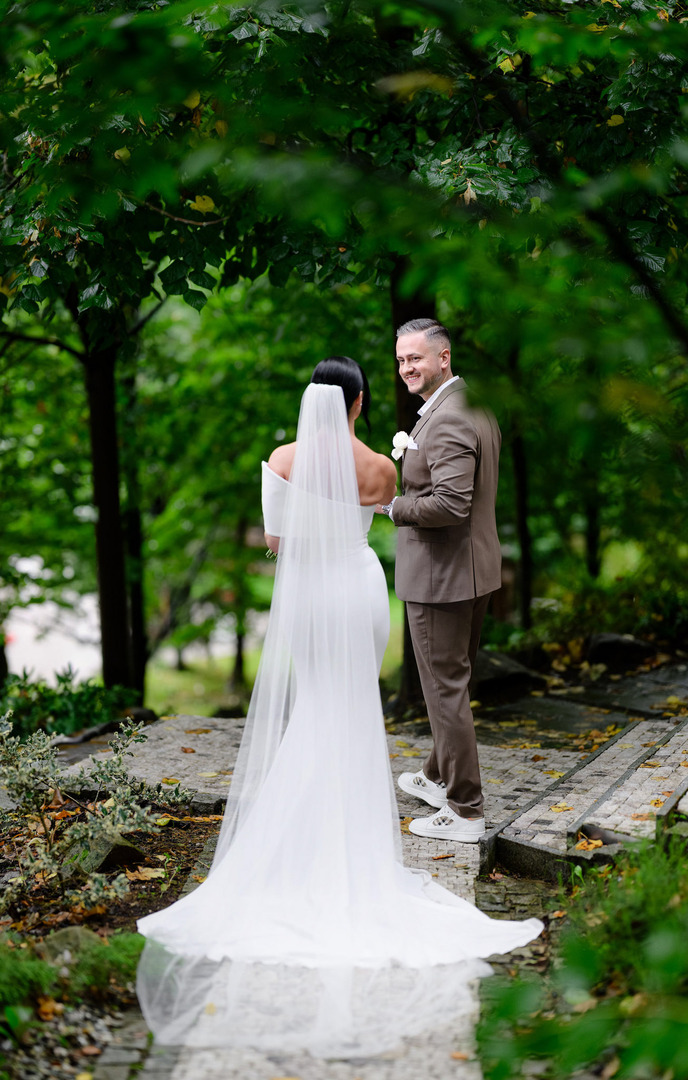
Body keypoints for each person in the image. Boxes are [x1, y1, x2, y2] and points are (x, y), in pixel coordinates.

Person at [136, 356, 541, 1058]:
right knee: (355, 713)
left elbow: (275, 542)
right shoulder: (381, 467)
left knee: (315, 712)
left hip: (309, 595)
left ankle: (296, 851)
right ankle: (354, 855)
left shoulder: (282, 458)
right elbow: (385, 520)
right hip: (358, 590)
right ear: (356, 405)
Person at [378, 319, 501, 844]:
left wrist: (393, 507)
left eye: (416, 359)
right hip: (471, 571)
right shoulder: (472, 404)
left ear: (443, 357)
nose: (407, 368)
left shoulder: (448, 418)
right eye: (401, 359)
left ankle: (466, 809)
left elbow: (452, 504)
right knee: (451, 684)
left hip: (442, 579)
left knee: (444, 689)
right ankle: (435, 775)